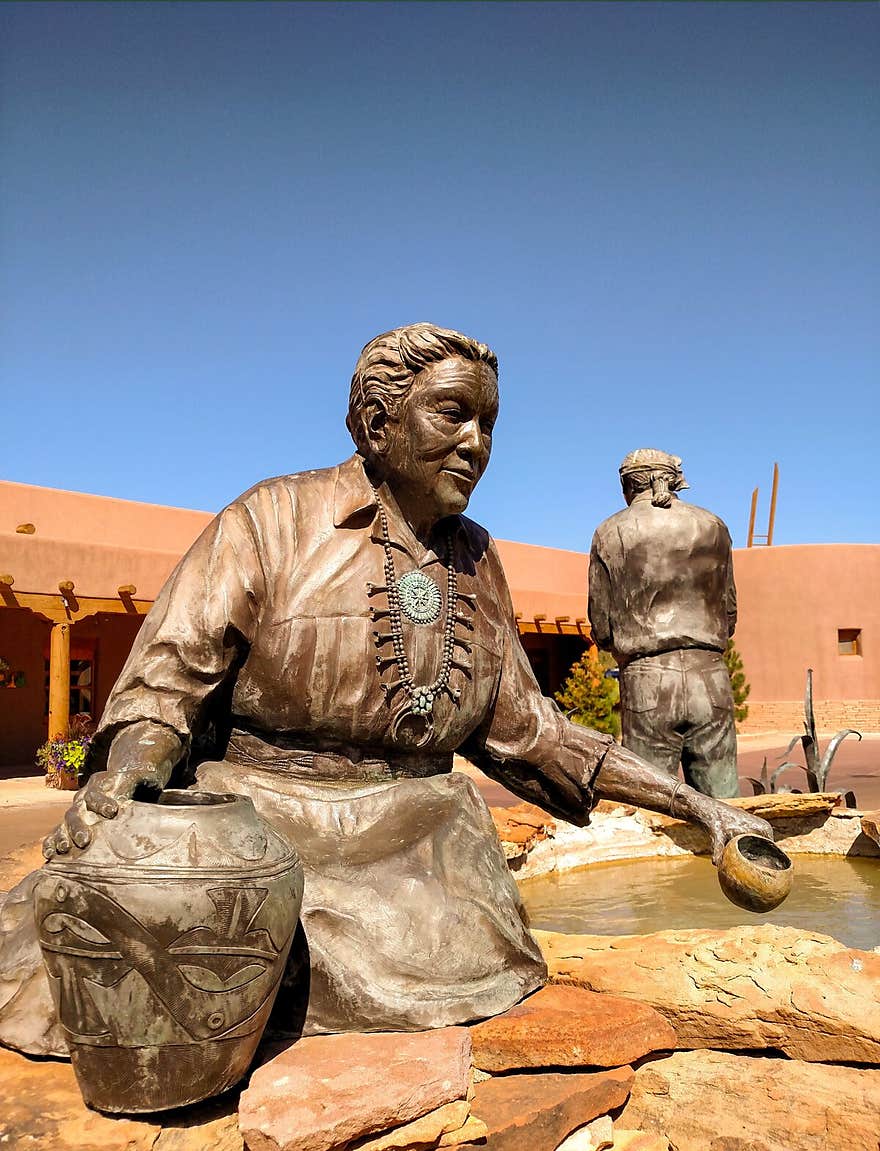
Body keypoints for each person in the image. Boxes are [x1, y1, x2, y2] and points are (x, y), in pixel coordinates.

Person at [23, 327, 770, 1049]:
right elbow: (164, 683)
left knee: (463, 961)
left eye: (489, 423)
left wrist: (704, 810)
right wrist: (126, 776)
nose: (476, 442)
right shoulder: (271, 519)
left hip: (427, 850)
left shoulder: (474, 556)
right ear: (379, 423)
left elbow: (537, 734)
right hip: (262, 831)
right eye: (453, 414)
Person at [588, 447, 740, 798]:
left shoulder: (610, 531)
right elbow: (729, 611)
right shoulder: (714, 526)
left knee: (650, 805)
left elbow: (602, 626)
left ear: (628, 487)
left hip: (647, 680)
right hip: (711, 676)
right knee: (726, 806)